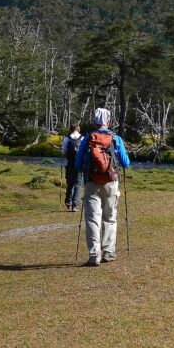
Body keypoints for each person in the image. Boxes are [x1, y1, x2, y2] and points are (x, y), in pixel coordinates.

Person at [74, 108, 130, 266]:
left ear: (95, 122)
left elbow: (78, 164)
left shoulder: (87, 139)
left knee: (92, 219)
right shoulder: (116, 138)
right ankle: (108, 252)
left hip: (91, 182)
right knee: (110, 217)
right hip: (111, 182)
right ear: (109, 121)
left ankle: (94, 255)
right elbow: (126, 162)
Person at [60, 123, 83, 212]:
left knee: (70, 184)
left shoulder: (67, 138)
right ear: (78, 129)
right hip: (79, 164)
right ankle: (75, 205)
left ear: (71, 129)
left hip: (69, 164)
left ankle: (68, 202)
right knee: (78, 184)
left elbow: (64, 152)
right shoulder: (83, 138)